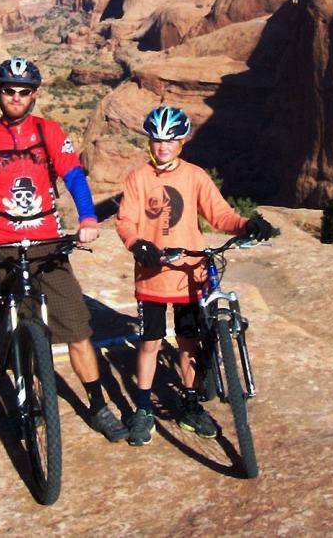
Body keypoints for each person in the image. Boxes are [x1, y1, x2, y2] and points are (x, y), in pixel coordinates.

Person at [0, 56, 129, 442]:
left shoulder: (48, 132)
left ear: (34, 95)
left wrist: (88, 218)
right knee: (14, 330)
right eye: (8, 91)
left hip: (47, 244)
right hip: (3, 247)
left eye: (23, 92)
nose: (15, 97)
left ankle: (98, 406)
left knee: (77, 330)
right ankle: (29, 401)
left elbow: (73, 175)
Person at [115, 105, 274, 446]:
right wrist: (136, 242)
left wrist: (246, 224)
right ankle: (143, 410)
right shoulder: (138, 178)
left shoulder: (194, 176)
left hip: (190, 274)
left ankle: (189, 405)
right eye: (157, 140)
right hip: (153, 275)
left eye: (170, 141)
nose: (163, 147)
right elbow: (125, 220)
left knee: (189, 341)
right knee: (150, 343)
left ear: (181, 142)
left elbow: (220, 215)